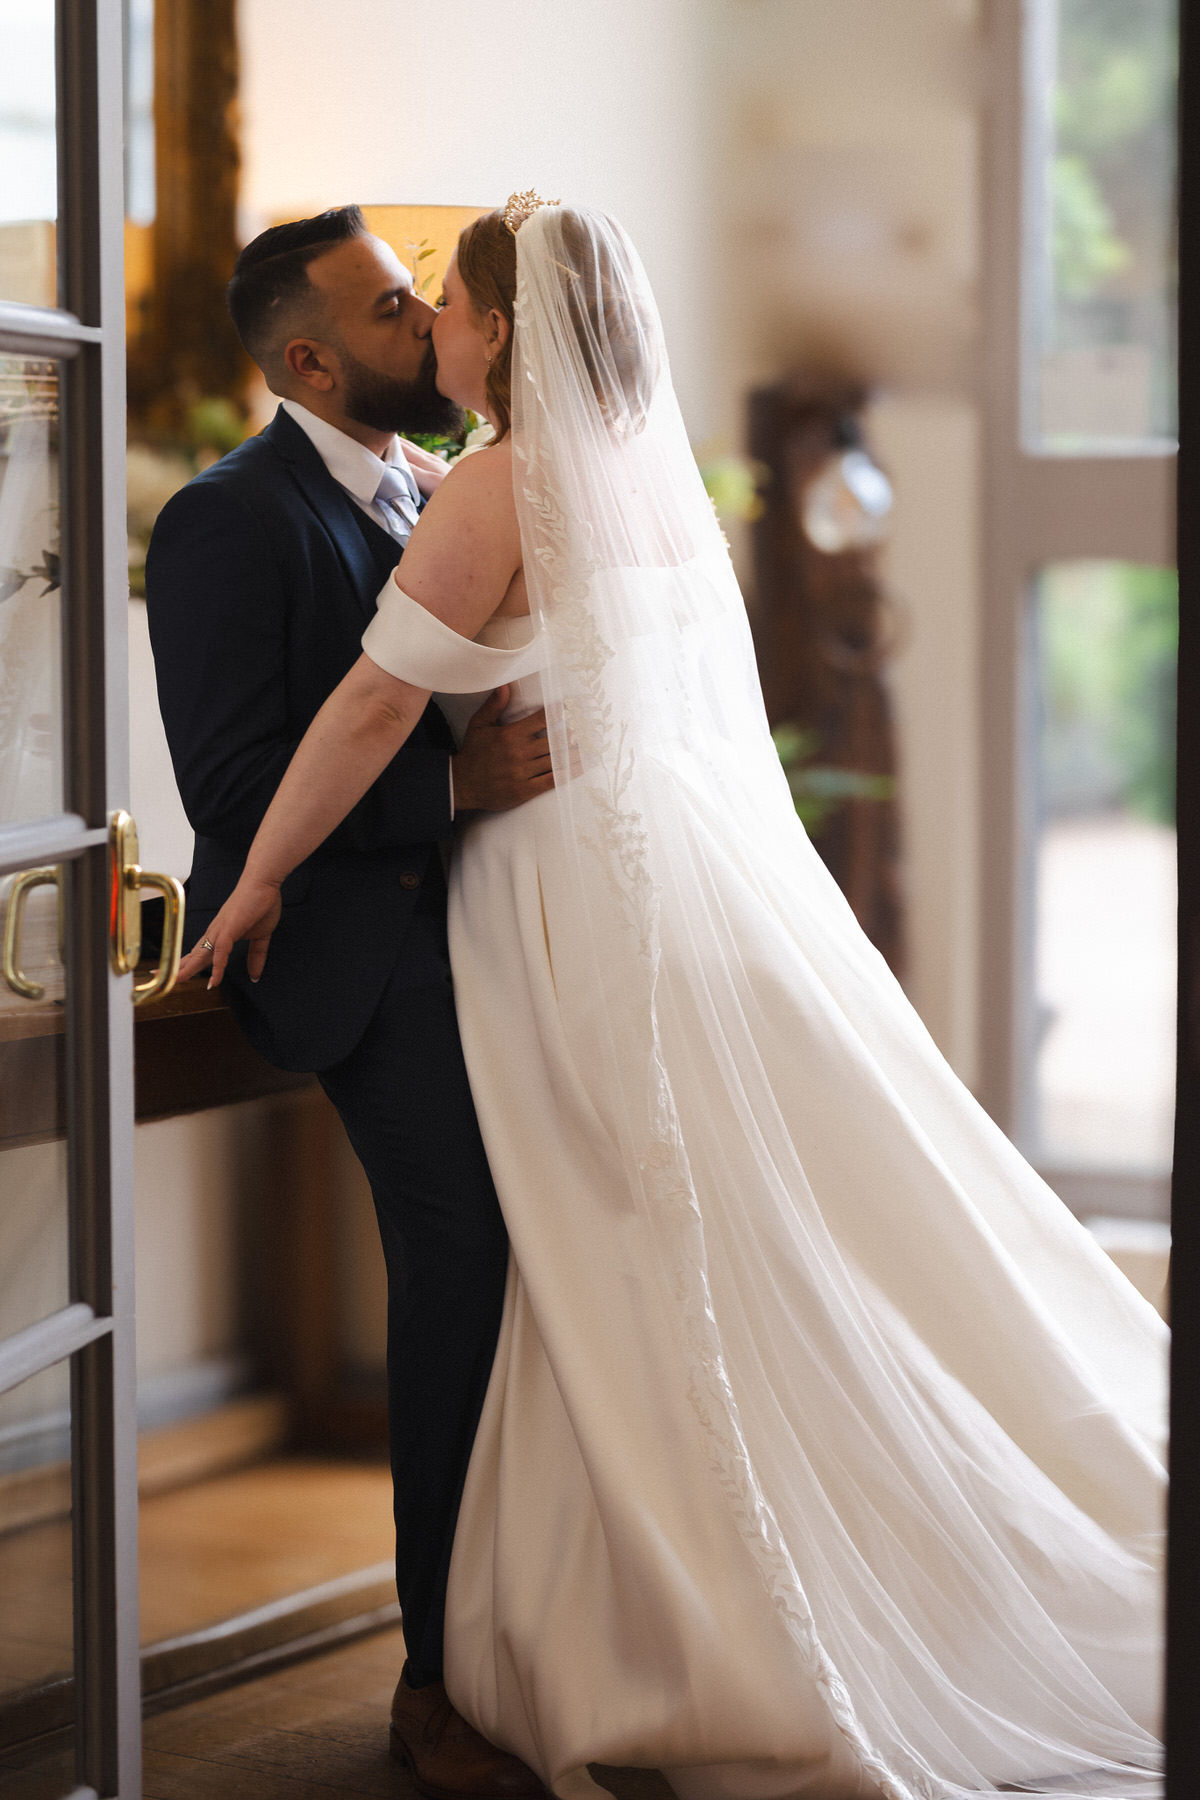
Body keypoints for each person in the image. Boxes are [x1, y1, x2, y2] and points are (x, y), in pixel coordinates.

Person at [181, 195, 1166, 1800]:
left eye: (441, 299)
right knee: (662, 1246)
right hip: (632, 894)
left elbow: (374, 707)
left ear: (500, 333)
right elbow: (386, 718)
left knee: (614, 1248)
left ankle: (632, 1628)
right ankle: (678, 1594)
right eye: (396, 305)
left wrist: (264, 879)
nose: (429, 324)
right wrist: (318, 849)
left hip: (566, 909)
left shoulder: (492, 478)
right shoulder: (626, 480)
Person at [145, 206, 553, 1800]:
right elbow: (238, 794)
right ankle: (437, 1678)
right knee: (464, 1260)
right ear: (310, 357)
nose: (435, 326)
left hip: (497, 935)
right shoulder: (223, 524)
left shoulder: (436, 487)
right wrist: (450, 792)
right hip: (358, 964)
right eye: (400, 308)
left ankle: (535, 1627)